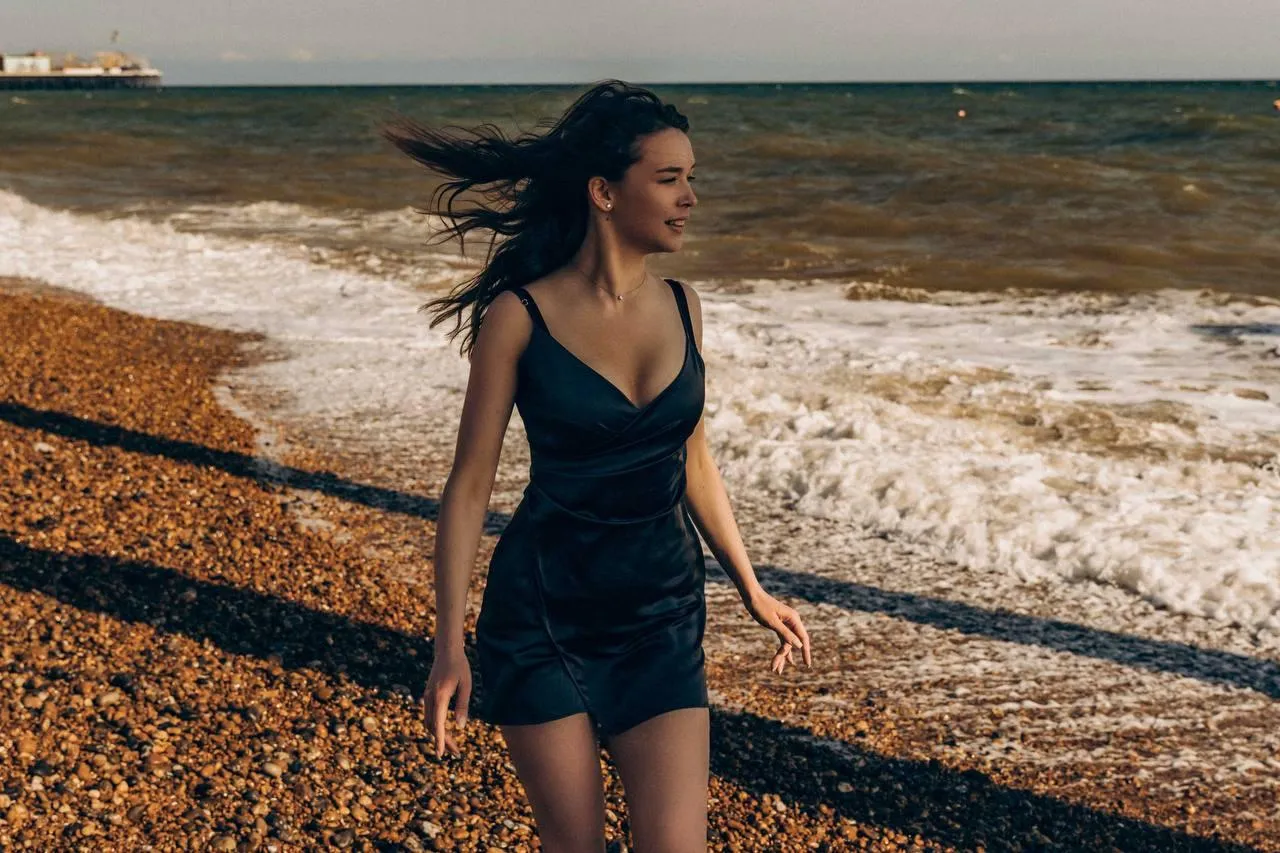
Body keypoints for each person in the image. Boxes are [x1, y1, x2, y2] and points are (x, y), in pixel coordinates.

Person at [385, 80, 813, 853]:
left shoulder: (685, 305)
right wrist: (449, 642)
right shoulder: (520, 316)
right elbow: (469, 486)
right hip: (546, 614)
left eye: (692, 178)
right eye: (669, 178)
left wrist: (752, 588)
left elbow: (694, 461)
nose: (690, 197)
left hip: (661, 614)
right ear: (603, 192)